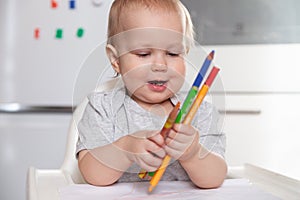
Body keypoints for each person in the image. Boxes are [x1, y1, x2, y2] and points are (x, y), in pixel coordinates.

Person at [76, 0, 227, 189]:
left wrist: (192, 153)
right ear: (116, 60)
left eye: (172, 54)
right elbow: (92, 174)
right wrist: (126, 150)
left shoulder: (200, 112)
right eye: (143, 54)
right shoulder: (102, 108)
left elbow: (215, 178)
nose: (160, 65)